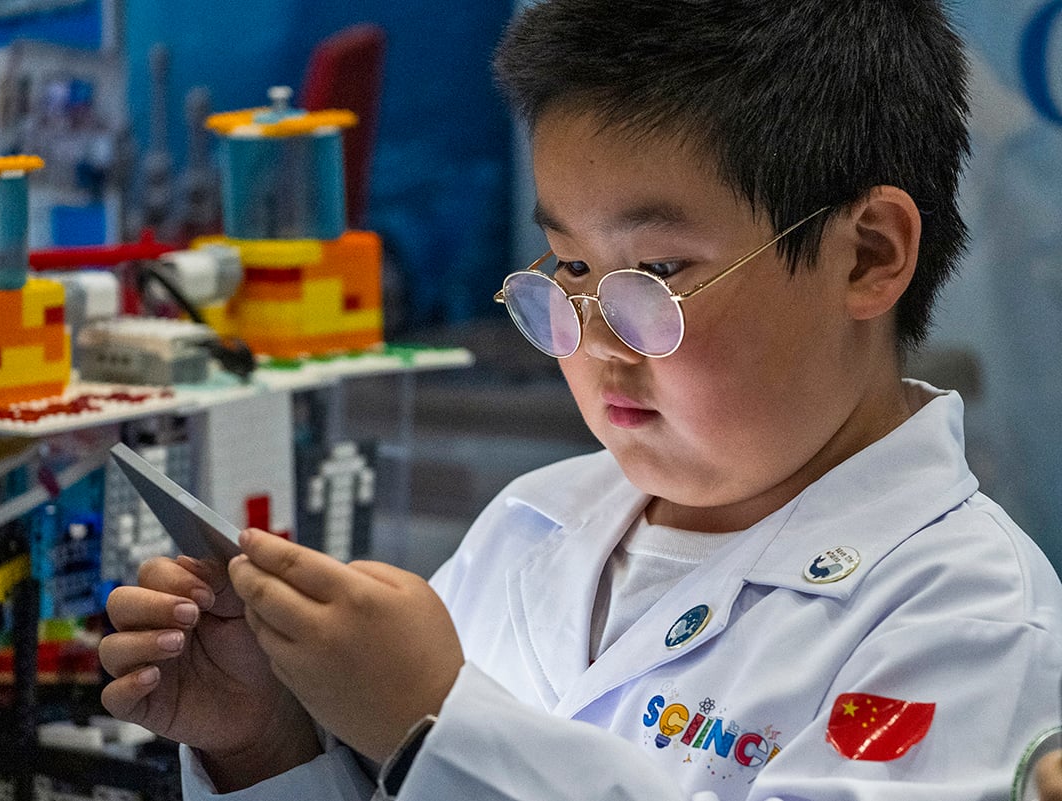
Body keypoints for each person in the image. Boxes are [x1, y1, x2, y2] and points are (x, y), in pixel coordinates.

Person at [97, 1, 1062, 799]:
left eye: (657, 272)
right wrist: (264, 746)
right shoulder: (530, 527)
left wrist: (440, 723)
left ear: (869, 254)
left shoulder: (970, 622)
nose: (596, 339)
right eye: (567, 267)